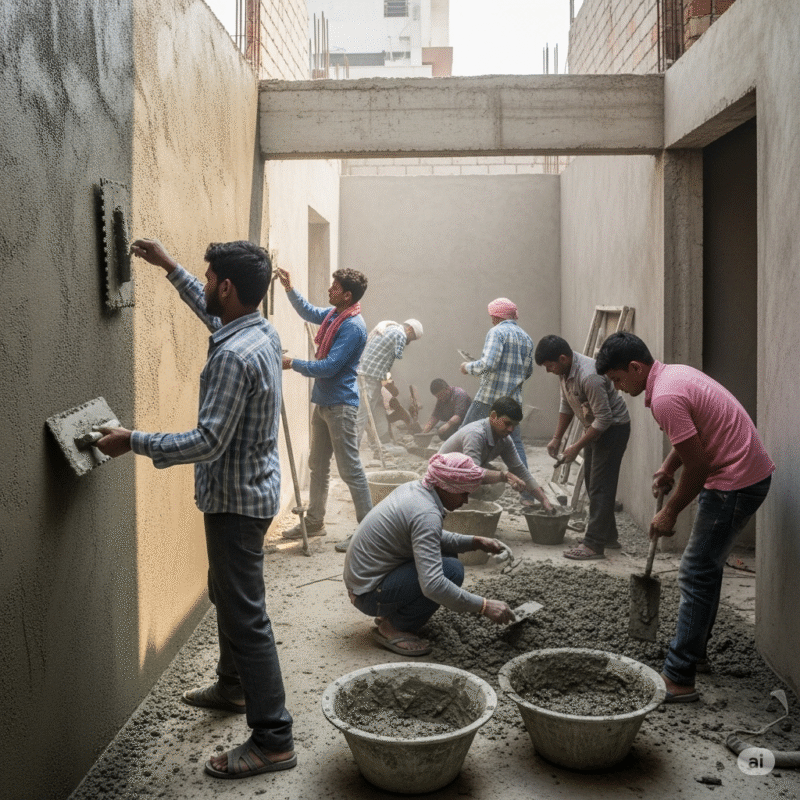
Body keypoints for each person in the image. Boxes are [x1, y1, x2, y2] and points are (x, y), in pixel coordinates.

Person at [96, 238, 295, 780]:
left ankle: (274, 739)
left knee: (245, 616)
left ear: (227, 287)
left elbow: (207, 441)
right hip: (249, 492)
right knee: (226, 594)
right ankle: (233, 689)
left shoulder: (232, 355)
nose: (204, 286)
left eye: (209, 279)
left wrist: (132, 440)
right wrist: (169, 268)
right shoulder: (256, 331)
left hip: (235, 503)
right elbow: (210, 312)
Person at [595, 332, 774, 703]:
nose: (617, 387)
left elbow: (699, 464)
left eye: (617, 379)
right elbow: (693, 440)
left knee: (694, 570)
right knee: (707, 567)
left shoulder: (665, 397)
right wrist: (666, 467)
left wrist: (669, 511)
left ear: (634, 367)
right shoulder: (674, 375)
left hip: (734, 481)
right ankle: (696, 653)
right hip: (746, 473)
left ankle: (679, 677)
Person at [343, 453, 516, 656]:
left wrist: (474, 542)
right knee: (451, 571)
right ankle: (393, 626)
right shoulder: (426, 513)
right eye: (463, 493)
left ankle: (393, 614)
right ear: (446, 487)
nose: (466, 501)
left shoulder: (417, 489)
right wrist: (484, 606)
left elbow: (429, 536)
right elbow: (433, 585)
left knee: (448, 556)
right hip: (369, 594)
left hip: (365, 583)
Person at [275, 266, 372, 552]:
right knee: (317, 466)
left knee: (351, 470)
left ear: (347, 295)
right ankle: (315, 521)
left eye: (335, 287)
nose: (330, 289)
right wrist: (289, 288)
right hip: (324, 403)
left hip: (341, 406)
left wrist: (293, 363)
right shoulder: (335, 315)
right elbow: (307, 312)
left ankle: (368, 532)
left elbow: (329, 367)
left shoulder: (353, 326)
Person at [535, 334, 631, 559]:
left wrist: (576, 446)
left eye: (549, 366)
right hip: (596, 428)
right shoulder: (565, 371)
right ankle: (608, 535)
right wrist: (557, 438)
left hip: (613, 430)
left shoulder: (589, 376)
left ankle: (594, 545)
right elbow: (566, 403)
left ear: (562, 358)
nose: (549, 371)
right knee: (593, 481)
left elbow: (605, 419)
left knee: (600, 486)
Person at [438, 397, 554, 511]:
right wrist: (504, 476)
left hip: (461, 472)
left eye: (514, 425)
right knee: (495, 477)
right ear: (493, 417)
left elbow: (520, 470)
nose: (510, 429)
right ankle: (455, 505)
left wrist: (544, 500)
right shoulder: (475, 434)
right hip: (440, 476)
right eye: (507, 423)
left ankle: (469, 503)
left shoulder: (504, 439)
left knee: (499, 474)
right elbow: (472, 474)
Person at [460, 298, 533, 471]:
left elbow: (488, 364)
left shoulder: (496, 332)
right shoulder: (527, 338)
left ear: (495, 316)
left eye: (491, 316)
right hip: (512, 401)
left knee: (463, 435)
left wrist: (467, 367)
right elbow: (527, 372)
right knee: (515, 444)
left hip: (489, 398)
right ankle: (527, 494)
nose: (491, 320)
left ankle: (454, 477)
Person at [356, 318, 423, 446]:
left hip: (367, 373)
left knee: (362, 414)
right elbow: (396, 356)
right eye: (412, 338)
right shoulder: (401, 334)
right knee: (361, 416)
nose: (409, 342)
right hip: (369, 375)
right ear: (409, 329)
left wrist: (388, 382)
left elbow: (385, 363)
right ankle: (351, 450)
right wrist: (389, 384)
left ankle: (353, 448)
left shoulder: (389, 328)